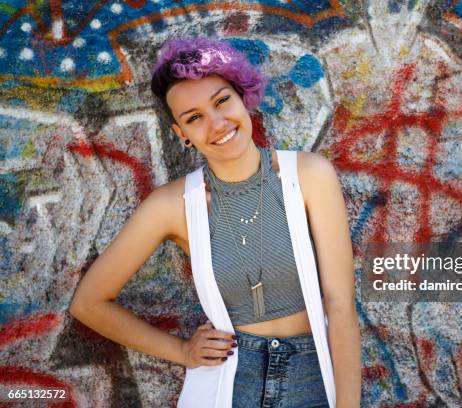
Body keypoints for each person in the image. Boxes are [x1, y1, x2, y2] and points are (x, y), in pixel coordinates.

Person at [69, 38, 361, 407]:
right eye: (194, 118)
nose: (217, 123)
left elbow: (340, 306)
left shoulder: (310, 175)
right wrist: (182, 351)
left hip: (313, 376)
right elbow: (89, 303)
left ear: (243, 98)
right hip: (229, 382)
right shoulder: (172, 205)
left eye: (222, 101)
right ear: (182, 135)